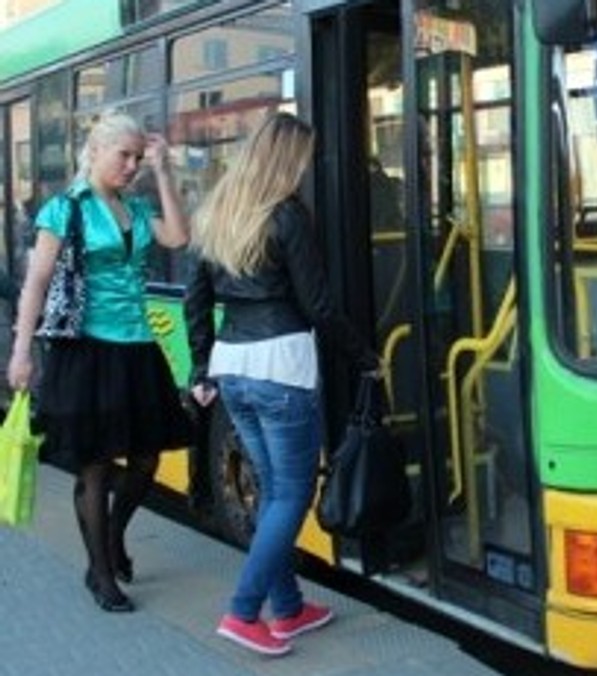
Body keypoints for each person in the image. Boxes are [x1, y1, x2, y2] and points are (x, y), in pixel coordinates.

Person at [184, 112, 378, 657]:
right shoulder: (286, 216)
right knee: (293, 494)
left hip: (232, 367)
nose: (306, 168)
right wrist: (365, 357)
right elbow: (318, 305)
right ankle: (244, 613)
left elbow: (194, 302)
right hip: (281, 369)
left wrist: (201, 368)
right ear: (286, 159)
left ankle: (288, 608)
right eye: (303, 158)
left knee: (272, 489)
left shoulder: (215, 212)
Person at [6, 110, 193, 612]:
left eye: (137, 156)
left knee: (148, 456)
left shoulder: (134, 206)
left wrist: (164, 174)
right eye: (124, 156)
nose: (131, 165)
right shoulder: (65, 209)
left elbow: (178, 237)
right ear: (95, 151)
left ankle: (110, 534)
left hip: (136, 346)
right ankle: (101, 573)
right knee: (94, 466)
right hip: (85, 349)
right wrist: (21, 351)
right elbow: (36, 284)